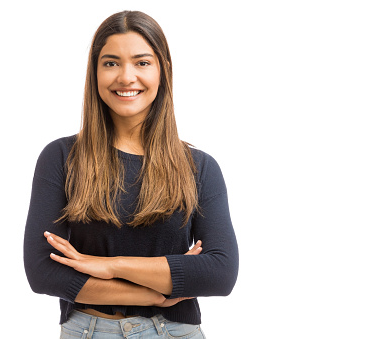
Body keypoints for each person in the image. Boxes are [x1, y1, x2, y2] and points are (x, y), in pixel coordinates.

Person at [24, 10, 239, 338]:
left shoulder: (199, 167)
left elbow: (220, 273)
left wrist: (109, 266)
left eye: (141, 62)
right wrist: (154, 293)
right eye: (111, 63)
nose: (126, 77)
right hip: (89, 330)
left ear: (163, 71)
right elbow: (43, 272)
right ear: (94, 72)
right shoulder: (61, 158)